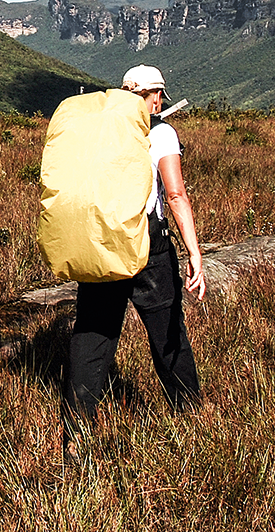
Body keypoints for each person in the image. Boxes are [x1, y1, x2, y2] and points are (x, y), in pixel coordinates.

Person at [63, 64, 206, 435]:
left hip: (103, 242)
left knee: (92, 334)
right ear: (151, 96)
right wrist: (194, 253)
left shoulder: (98, 129)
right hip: (147, 244)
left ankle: (77, 431)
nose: (160, 100)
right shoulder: (161, 133)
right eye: (157, 94)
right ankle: (192, 420)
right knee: (168, 333)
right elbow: (175, 195)